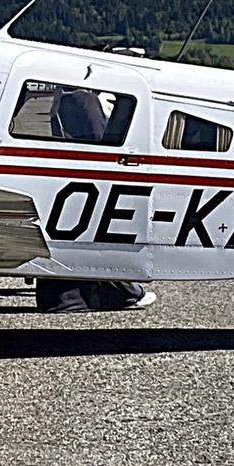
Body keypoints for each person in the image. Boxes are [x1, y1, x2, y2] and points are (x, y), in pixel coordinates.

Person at [35, 85, 155, 313]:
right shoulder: (82, 101)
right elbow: (100, 140)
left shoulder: (61, 100)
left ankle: (67, 297)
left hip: (65, 180)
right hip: (87, 180)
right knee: (91, 232)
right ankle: (112, 292)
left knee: (63, 232)